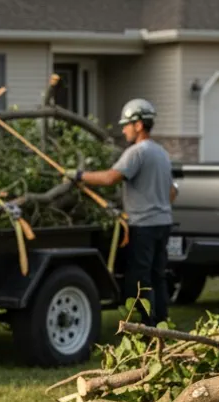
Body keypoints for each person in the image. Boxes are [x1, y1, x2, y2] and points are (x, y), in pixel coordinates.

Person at [72, 98, 177, 325]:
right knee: (158, 275)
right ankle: (162, 321)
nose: (123, 129)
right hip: (163, 222)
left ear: (139, 125)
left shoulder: (136, 152)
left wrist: (80, 176)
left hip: (144, 226)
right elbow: (172, 192)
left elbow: (111, 178)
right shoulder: (162, 153)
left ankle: (148, 326)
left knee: (141, 279)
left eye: (126, 124)